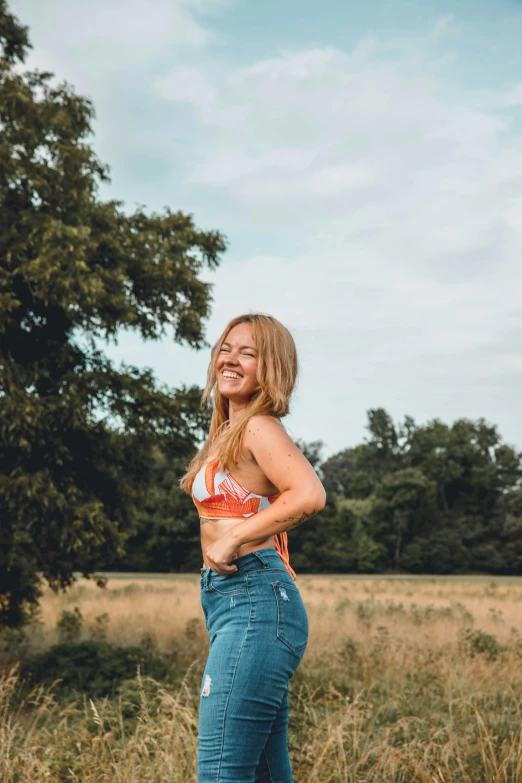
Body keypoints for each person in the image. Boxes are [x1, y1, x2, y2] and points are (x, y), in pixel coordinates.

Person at [180, 312, 326, 783]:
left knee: (222, 772)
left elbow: (309, 494)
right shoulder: (228, 432)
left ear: (272, 368)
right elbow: (272, 504)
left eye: (248, 352)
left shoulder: (259, 427)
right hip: (239, 603)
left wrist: (237, 537)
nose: (231, 358)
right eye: (227, 347)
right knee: (265, 775)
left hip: (254, 601)